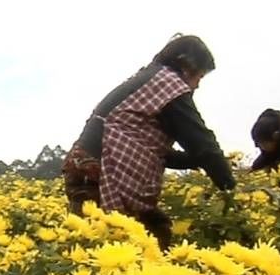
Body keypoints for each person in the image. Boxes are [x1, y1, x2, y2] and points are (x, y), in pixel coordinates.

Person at [62, 34, 235, 250]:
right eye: (199, 76)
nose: (197, 86)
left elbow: (151, 149)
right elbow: (201, 142)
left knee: (98, 242)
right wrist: (229, 187)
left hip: (85, 169)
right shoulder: (168, 85)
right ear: (187, 66)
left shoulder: (147, 79)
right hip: (100, 171)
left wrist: (196, 161)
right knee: (132, 241)